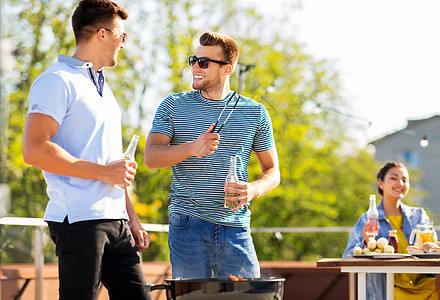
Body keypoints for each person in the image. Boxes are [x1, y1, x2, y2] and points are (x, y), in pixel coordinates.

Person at [22, 1, 151, 299]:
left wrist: (130, 217)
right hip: (79, 219)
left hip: (116, 221)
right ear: (102, 34)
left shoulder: (104, 89)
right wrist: (104, 173)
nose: (124, 42)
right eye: (122, 35)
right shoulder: (57, 80)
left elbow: (114, 167)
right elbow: (34, 149)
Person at [144, 31, 280, 278]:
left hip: (236, 227)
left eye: (204, 62)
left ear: (227, 69)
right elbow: (151, 157)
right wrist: (193, 147)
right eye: (193, 60)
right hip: (188, 224)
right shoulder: (173, 105)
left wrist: (253, 189)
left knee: (249, 297)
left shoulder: (255, 113)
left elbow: (272, 171)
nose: (195, 66)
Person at [343, 161, 439, 300]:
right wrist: (366, 241)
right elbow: (347, 256)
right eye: (394, 178)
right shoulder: (368, 219)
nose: (400, 182)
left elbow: (434, 251)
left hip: (425, 286)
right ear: (381, 183)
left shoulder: (419, 215)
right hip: (387, 289)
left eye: (404, 180)